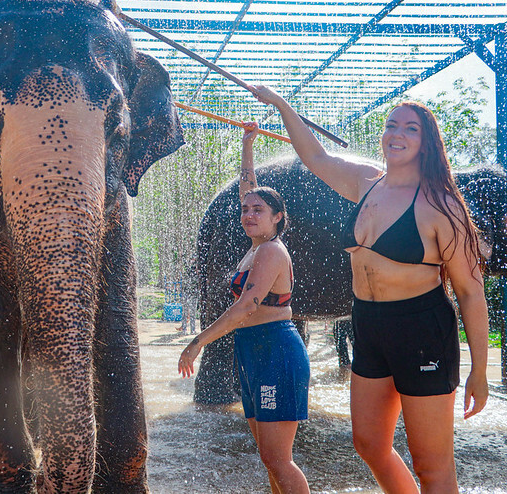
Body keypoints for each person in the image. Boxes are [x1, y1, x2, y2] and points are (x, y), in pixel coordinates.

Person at [251, 86, 489, 492]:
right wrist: (281, 105)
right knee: (369, 443)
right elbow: (317, 157)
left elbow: (470, 291)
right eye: (391, 125)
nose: (397, 133)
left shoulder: (442, 206)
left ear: (426, 142)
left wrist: (479, 371)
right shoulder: (366, 182)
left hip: (422, 331)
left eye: (410, 129)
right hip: (369, 325)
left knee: (432, 465)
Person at [179, 124, 311, 493]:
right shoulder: (254, 248)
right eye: (246, 210)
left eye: (259, 210)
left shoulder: (270, 251)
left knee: (279, 459)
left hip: (275, 351)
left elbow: (245, 307)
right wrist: (247, 145)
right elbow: (247, 189)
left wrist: (198, 342)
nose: (249, 214)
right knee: (268, 455)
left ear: (277, 218)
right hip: (252, 351)